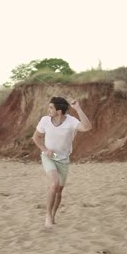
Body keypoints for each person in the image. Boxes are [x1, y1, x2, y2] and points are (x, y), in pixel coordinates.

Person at [32, 96, 92, 228]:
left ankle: (53, 215)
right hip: (48, 157)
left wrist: (78, 108)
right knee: (54, 183)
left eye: (51, 107)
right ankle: (47, 216)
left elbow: (87, 127)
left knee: (59, 191)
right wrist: (45, 150)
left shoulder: (71, 121)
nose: (48, 109)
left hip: (64, 159)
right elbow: (36, 138)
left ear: (59, 111)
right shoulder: (45, 120)